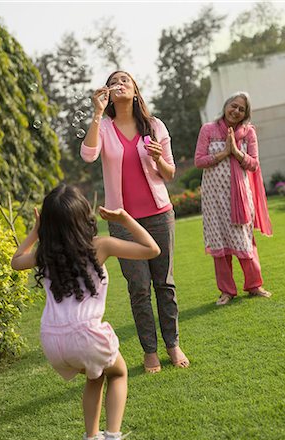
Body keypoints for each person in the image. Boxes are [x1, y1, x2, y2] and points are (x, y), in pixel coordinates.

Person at [11, 184, 160, 440]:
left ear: (48, 225)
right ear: (84, 218)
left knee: (96, 376)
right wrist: (124, 218)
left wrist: (35, 232)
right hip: (85, 335)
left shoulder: (45, 255)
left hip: (52, 339)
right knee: (118, 373)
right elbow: (152, 249)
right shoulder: (99, 246)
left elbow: (16, 260)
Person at [80, 70, 189, 373]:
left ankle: (173, 344)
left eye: (125, 79)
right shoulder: (103, 126)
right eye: (114, 81)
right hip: (122, 221)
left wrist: (157, 159)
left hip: (159, 215)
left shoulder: (154, 126)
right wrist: (97, 111)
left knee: (164, 283)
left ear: (135, 89)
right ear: (109, 93)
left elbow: (169, 174)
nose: (120, 84)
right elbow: (88, 155)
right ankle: (150, 350)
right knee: (139, 287)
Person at [194, 92, 272, 305]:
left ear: (245, 114)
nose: (236, 111)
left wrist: (236, 152)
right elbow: (199, 161)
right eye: (234, 106)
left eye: (241, 109)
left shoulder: (248, 133)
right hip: (213, 199)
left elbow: (254, 164)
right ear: (226, 105)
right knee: (219, 243)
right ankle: (226, 291)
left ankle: (254, 285)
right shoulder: (208, 130)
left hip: (239, 197)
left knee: (244, 241)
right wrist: (223, 153)